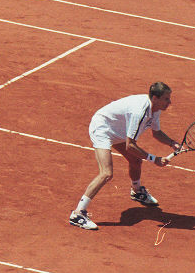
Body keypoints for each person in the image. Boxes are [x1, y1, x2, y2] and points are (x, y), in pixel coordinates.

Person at [68, 82, 184, 231]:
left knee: (135, 160)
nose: (169, 102)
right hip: (103, 128)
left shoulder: (155, 109)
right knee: (106, 174)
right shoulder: (139, 112)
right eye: (166, 99)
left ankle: (137, 192)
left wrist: (172, 143)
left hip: (118, 129)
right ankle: (77, 214)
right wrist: (154, 159)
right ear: (155, 98)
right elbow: (130, 145)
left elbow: (156, 133)